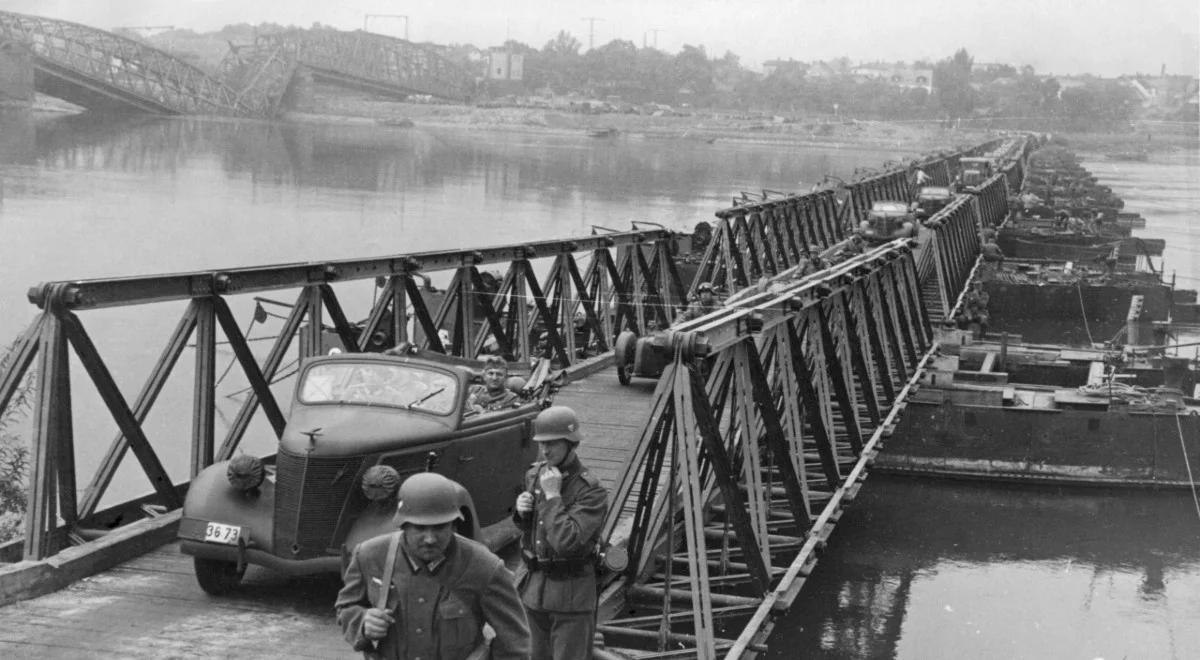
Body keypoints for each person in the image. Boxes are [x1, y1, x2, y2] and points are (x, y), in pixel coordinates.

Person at [336, 472, 531, 660]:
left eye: (439, 527)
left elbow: (514, 643)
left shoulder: (484, 566)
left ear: (454, 525)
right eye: (419, 528)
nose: (430, 539)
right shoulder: (370, 555)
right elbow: (346, 607)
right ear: (403, 524)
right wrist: (363, 622)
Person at [513, 406, 609, 660]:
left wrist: (553, 496)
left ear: (571, 444)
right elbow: (535, 534)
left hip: (570, 597)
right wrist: (522, 513)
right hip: (533, 590)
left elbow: (567, 542)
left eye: (552, 444)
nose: (545, 451)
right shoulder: (536, 474)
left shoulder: (591, 491)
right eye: (542, 443)